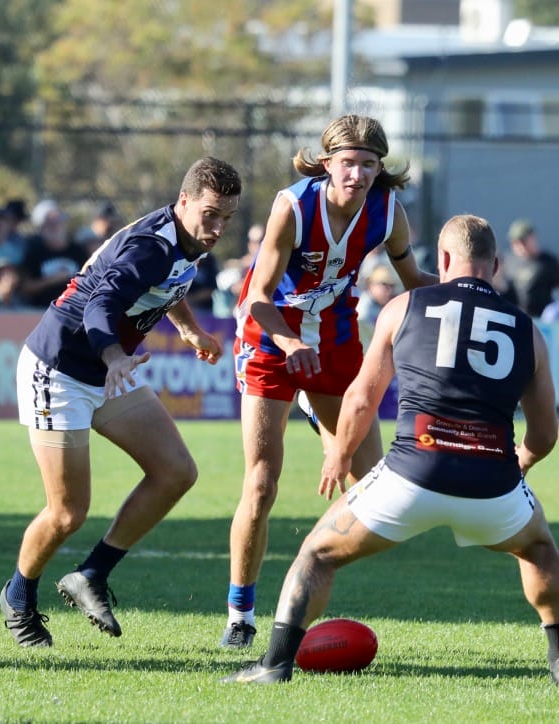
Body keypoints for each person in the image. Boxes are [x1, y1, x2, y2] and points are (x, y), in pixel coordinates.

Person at [223, 214, 559, 684]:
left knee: (317, 554)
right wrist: (517, 463)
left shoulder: (404, 306)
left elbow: (362, 398)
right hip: (492, 485)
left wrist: (340, 453)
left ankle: (275, 664)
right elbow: (545, 433)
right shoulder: (527, 330)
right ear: (497, 265)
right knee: (540, 551)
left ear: (442, 259)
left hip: (411, 475)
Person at [0, 157, 240, 647]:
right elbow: (99, 304)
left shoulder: (186, 238)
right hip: (60, 367)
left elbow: (167, 285)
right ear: (184, 201)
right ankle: (18, 596)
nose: (218, 228)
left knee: (176, 471)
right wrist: (113, 356)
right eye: (211, 214)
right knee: (67, 513)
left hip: (109, 369)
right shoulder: (151, 247)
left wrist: (189, 329)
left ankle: (91, 575)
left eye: (227, 218)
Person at [224, 114, 438, 649]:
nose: (357, 174)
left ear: (379, 169)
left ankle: (308, 570)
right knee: (261, 483)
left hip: (336, 340)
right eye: (347, 163)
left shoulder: (388, 211)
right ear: (326, 164)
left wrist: (468, 290)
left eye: (368, 164)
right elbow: (257, 297)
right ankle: (240, 616)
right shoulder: (293, 207)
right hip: (270, 338)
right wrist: (289, 344)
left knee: (372, 487)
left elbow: (413, 281)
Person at [20, 199, 87, 309]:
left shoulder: (78, 251)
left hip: (74, 310)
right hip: (43, 311)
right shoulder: (34, 252)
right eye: (49, 223)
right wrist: (53, 279)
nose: (55, 226)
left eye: (58, 221)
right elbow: (26, 287)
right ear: (41, 227)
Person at [499, 219, 559, 318]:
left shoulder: (547, 261)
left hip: (540, 320)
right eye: (515, 242)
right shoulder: (508, 261)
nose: (519, 245)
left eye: (522, 241)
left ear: (533, 238)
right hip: (515, 318)